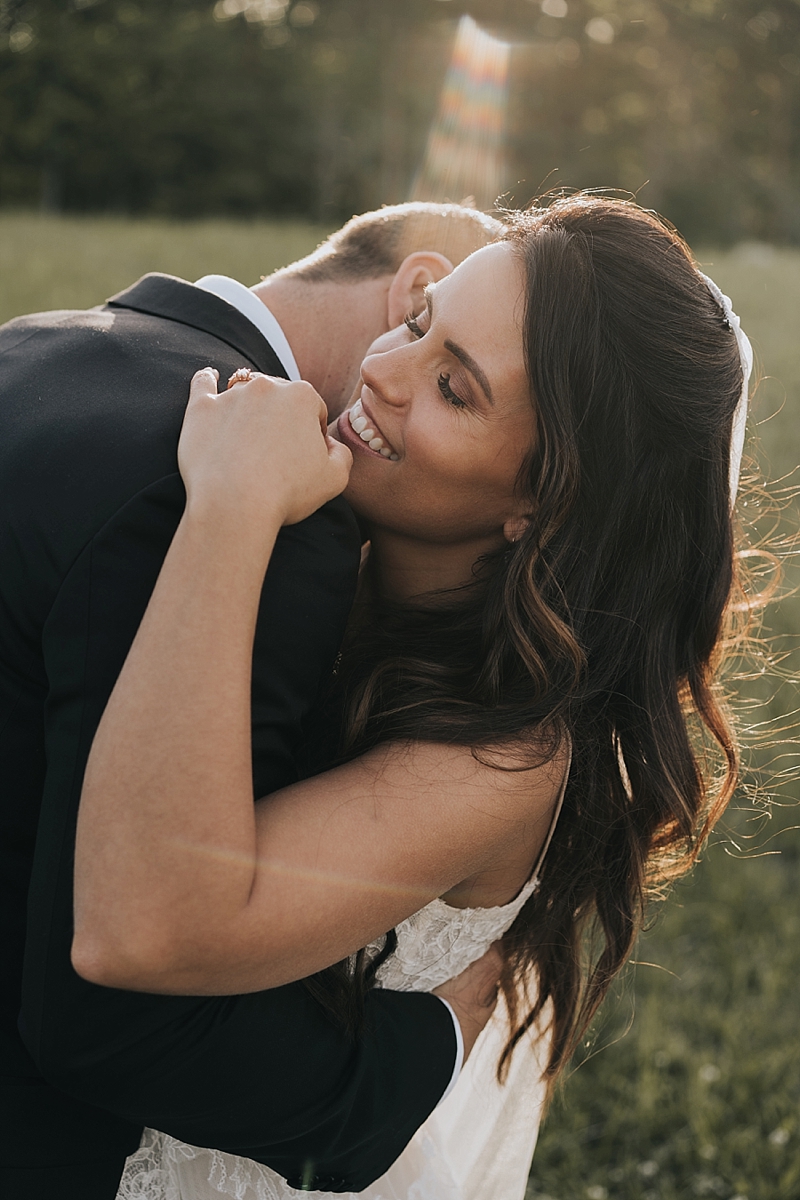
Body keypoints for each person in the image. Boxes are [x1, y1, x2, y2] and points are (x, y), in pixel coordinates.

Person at [73, 194, 754, 1200]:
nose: (379, 372)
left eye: (453, 389)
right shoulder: (336, 565)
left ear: (542, 503)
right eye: (420, 318)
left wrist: (229, 507)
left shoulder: (504, 757)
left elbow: (141, 928)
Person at [0, 202, 507, 1200]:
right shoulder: (266, 519)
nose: (392, 379)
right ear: (414, 289)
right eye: (429, 343)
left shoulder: (34, 342)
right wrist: (422, 1055)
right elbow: (117, 1007)